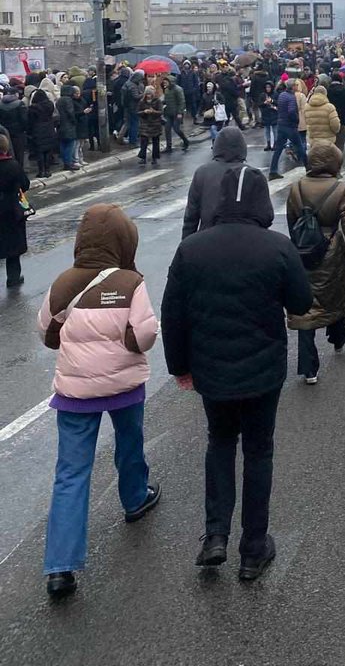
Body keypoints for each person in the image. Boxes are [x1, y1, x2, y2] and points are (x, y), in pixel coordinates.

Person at [162, 166, 312, 580]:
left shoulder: (191, 249)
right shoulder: (278, 248)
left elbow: (172, 313)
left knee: (220, 443)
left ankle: (214, 536)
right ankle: (253, 548)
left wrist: (180, 367)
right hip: (263, 370)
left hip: (212, 369)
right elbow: (301, 303)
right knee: (259, 450)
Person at [38, 204, 161, 598]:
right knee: (129, 446)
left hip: (75, 393)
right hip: (124, 386)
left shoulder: (62, 283)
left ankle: (61, 567)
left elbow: (46, 331)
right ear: (124, 240)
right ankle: (134, 498)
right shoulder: (130, 282)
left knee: (71, 473)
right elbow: (143, 335)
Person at [286, 143, 345, 383]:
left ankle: (309, 369)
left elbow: (292, 222)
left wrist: (299, 244)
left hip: (301, 248)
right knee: (334, 293)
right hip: (330, 247)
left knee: (304, 304)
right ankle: (338, 336)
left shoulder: (296, 188)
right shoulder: (340, 189)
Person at [182, 127, 272, 239]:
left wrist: (186, 245)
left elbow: (191, 216)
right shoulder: (251, 175)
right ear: (242, 148)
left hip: (207, 239)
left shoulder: (202, 172)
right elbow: (266, 215)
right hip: (246, 240)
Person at [0, 132, 30, 287]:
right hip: (11, 209)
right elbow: (25, 184)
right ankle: (13, 278)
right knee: (12, 246)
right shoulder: (13, 165)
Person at [268, 80, 308, 180]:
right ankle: (309, 168)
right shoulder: (291, 97)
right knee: (300, 146)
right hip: (290, 126)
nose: (297, 86)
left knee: (278, 149)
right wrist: (297, 120)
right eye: (296, 85)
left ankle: (273, 171)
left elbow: (280, 106)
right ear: (293, 87)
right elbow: (291, 111)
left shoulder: (282, 95)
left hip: (281, 124)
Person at [27, 85, 57, 178]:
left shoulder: (33, 108)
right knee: (48, 151)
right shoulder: (50, 105)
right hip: (49, 129)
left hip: (38, 131)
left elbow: (30, 121)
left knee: (39, 152)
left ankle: (41, 171)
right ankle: (47, 170)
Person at [305, 84, 341, 150]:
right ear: (325, 94)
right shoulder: (330, 107)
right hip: (328, 141)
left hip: (313, 141)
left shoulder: (307, 107)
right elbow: (336, 126)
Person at [0, 84, 28, 167]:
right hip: (18, 133)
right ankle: (19, 168)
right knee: (19, 153)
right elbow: (24, 120)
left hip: (5, 132)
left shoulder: (1, 104)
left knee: (8, 152)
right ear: (15, 94)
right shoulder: (19, 103)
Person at [161, 76, 190, 152]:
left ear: (170, 82)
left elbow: (182, 101)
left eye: (166, 82)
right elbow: (166, 100)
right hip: (168, 112)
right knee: (167, 129)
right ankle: (168, 147)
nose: (164, 83)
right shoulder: (166, 89)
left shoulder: (178, 89)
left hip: (176, 113)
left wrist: (180, 112)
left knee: (176, 129)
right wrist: (161, 102)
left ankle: (185, 141)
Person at [137, 85, 163, 165]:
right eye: (147, 94)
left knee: (155, 141)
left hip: (155, 124)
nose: (149, 96)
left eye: (150, 94)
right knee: (144, 141)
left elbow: (161, 112)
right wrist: (144, 112)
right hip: (145, 124)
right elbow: (138, 112)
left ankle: (155, 158)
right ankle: (142, 157)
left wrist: (153, 112)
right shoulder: (141, 102)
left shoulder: (158, 101)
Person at [259, 81, 278, 150]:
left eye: (269, 87)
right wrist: (264, 103)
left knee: (275, 130)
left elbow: (278, 103)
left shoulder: (275, 94)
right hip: (266, 114)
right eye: (266, 87)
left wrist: (272, 101)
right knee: (267, 130)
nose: (268, 89)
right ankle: (268, 144)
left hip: (273, 113)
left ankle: (275, 143)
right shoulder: (262, 95)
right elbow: (259, 104)